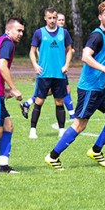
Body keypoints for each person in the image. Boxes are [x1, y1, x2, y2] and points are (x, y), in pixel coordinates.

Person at [44, 1, 105, 170]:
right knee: (80, 125)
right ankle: (53, 156)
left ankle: (96, 150)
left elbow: (100, 58)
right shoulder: (97, 36)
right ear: (100, 17)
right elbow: (85, 56)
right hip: (89, 88)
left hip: (99, 87)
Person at [19, 12, 76, 121]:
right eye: (59, 19)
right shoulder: (43, 33)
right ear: (47, 19)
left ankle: (28, 103)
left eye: (62, 20)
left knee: (54, 92)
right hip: (49, 70)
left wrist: (68, 56)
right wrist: (38, 62)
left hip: (60, 70)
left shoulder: (63, 34)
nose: (60, 22)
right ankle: (72, 115)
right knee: (64, 90)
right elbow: (36, 50)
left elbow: (69, 50)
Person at [28, 8, 73, 139]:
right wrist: (35, 65)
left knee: (59, 102)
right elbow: (32, 51)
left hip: (59, 75)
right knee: (39, 101)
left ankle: (61, 130)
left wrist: (67, 65)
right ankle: (33, 129)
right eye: (50, 18)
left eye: (54, 18)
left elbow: (69, 50)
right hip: (44, 74)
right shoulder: (39, 33)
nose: (52, 20)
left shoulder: (64, 33)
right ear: (45, 18)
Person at [0, 18, 25, 173]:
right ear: (8, 30)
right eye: (18, 30)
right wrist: (14, 88)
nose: (20, 34)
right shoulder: (8, 43)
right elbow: (1, 66)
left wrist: (4, 90)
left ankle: (4, 166)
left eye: (22, 32)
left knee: (8, 126)